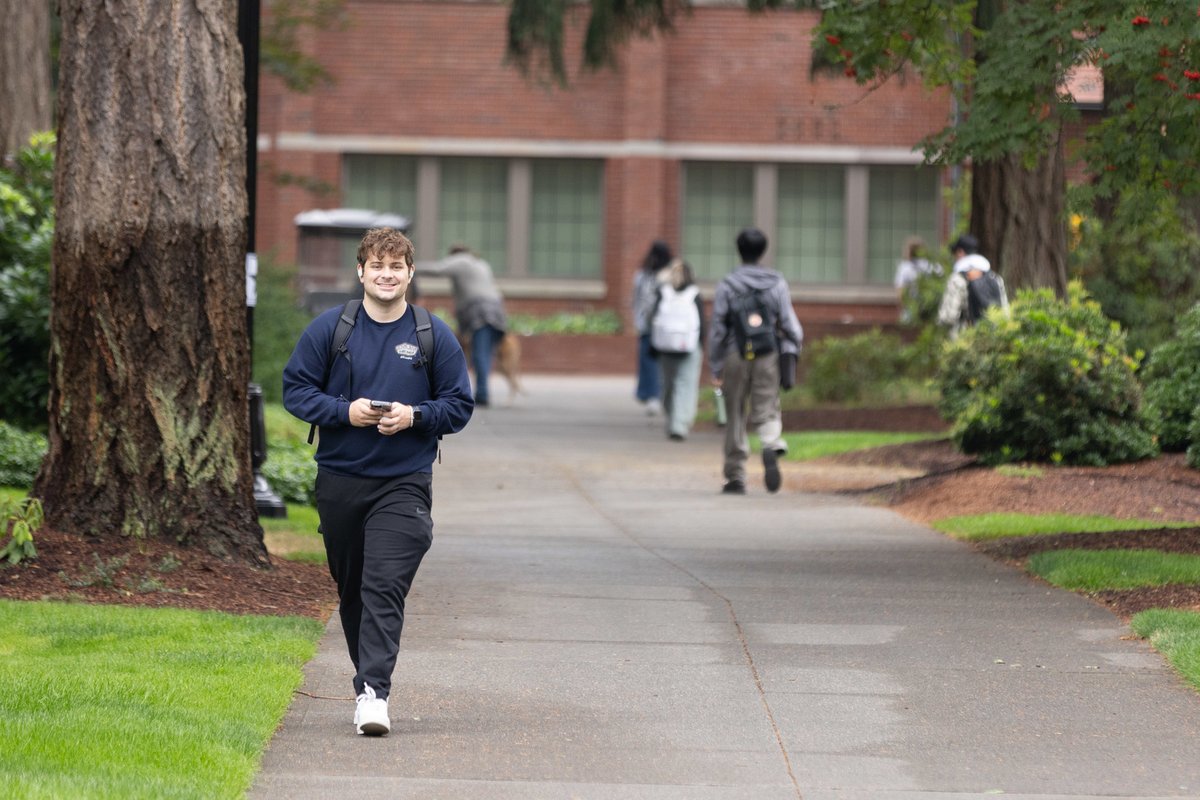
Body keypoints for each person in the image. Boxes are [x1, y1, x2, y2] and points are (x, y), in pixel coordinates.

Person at [282, 227, 474, 737]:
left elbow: (459, 406)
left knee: (383, 584)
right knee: (353, 593)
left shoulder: (433, 334)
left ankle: (373, 694)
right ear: (361, 271)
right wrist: (346, 411)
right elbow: (296, 391)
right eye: (377, 266)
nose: (386, 275)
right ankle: (367, 679)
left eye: (397, 267)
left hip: (403, 482)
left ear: (410, 274)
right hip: (341, 480)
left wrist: (414, 416)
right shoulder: (332, 329)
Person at [709, 228, 804, 495]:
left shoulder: (728, 284)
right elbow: (789, 323)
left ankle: (736, 476)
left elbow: (717, 327)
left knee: (735, 413)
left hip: (734, 353)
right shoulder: (777, 283)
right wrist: (794, 346)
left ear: (739, 250)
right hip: (768, 352)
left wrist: (715, 364)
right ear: (763, 251)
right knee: (767, 405)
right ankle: (770, 443)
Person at [420, 245, 509, 407]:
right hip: (497, 311)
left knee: (479, 354)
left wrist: (407, 265)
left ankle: (482, 394)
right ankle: (481, 391)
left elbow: (437, 269)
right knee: (484, 354)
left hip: (482, 313)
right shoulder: (481, 264)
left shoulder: (461, 260)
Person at [648, 258, 706, 440]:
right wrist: (701, 345)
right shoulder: (694, 294)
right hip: (689, 346)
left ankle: (673, 418)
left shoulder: (662, 292)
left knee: (669, 385)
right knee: (685, 385)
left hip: (665, 347)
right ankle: (679, 424)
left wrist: (653, 344)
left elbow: (652, 320)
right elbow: (702, 324)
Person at [937, 233, 1009, 339]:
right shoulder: (995, 277)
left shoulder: (957, 279)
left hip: (965, 339)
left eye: (955, 253)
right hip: (993, 338)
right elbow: (1005, 312)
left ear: (960, 252)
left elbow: (948, 317)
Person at [632, 240, 673, 414]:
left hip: (651, 325)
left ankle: (652, 395)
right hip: (662, 326)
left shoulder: (644, 276)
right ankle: (654, 395)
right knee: (659, 362)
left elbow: (637, 301)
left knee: (649, 361)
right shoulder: (669, 275)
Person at [893, 236, 941, 322]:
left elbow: (900, 292)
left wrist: (904, 307)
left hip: (911, 307)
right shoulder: (934, 266)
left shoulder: (905, 268)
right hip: (931, 308)